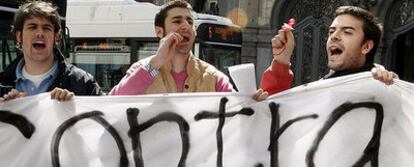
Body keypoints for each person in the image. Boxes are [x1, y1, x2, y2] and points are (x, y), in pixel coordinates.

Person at [109, 0, 268, 100]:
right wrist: (156, 62)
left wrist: (252, 103)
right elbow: (113, 104)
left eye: (190, 22)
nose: (185, 26)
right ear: (159, 32)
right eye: (177, 21)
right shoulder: (144, 69)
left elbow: (235, 112)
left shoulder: (213, 78)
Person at [260, 6, 398, 95]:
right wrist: (281, 61)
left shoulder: (383, 87)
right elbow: (275, 116)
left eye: (347, 32)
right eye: (331, 31)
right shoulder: (318, 90)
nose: (334, 37)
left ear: (366, 46)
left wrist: (394, 91)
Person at [0, 1, 102, 102]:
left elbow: (104, 115)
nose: (40, 33)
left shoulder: (83, 83)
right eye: (32, 27)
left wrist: (74, 107)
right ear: (19, 36)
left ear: (56, 36)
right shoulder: (2, 85)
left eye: (46, 28)